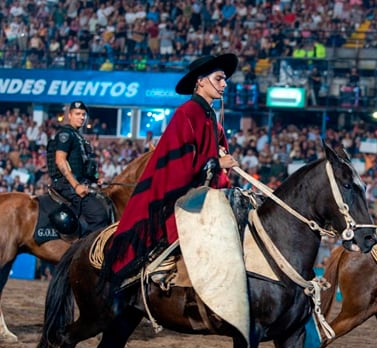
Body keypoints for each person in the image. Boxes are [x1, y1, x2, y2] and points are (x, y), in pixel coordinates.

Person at [103, 53, 240, 289]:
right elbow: (180, 168)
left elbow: (209, 154)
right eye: (219, 79)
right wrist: (218, 164)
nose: (224, 84)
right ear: (201, 81)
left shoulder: (210, 117)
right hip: (178, 192)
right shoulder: (186, 113)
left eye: (224, 79)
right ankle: (162, 261)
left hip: (201, 190)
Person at [47, 100, 108, 234]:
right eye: (78, 114)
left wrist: (95, 179)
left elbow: (81, 166)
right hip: (67, 185)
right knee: (99, 215)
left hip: (77, 182)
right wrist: (76, 186)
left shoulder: (79, 137)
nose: (81, 117)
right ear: (70, 115)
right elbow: (60, 161)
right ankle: (88, 252)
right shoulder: (66, 134)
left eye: (83, 114)